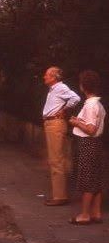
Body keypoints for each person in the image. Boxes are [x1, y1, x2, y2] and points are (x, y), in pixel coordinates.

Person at [68, 70, 106, 225]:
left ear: (83, 86)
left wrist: (76, 123)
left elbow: (90, 130)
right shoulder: (99, 104)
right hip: (97, 144)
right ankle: (96, 213)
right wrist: (80, 121)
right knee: (96, 179)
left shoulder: (90, 105)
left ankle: (84, 214)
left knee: (87, 180)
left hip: (88, 144)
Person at [42, 66, 81, 206]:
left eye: (47, 75)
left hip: (55, 124)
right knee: (55, 159)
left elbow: (75, 98)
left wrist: (64, 110)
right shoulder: (54, 89)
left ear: (54, 77)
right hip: (51, 123)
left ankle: (60, 196)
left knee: (57, 160)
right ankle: (58, 194)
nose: (44, 77)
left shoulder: (60, 87)